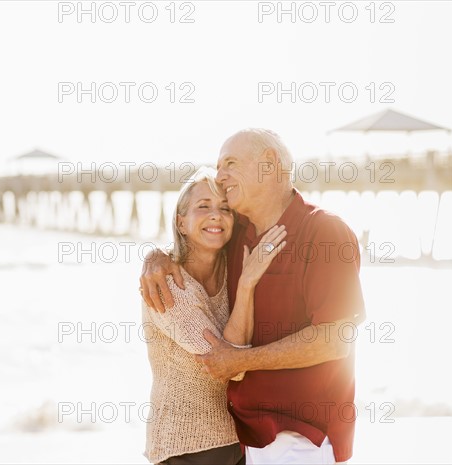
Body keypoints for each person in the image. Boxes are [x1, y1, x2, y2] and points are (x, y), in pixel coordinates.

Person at [140, 129, 366, 464]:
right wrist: (156, 257)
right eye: (218, 167)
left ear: (269, 163)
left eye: (230, 163)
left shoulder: (324, 231)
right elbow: (197, 241)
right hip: (245, 441)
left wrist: (241, 360)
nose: (220, 176)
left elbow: (335, 340)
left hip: (304, 439)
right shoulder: (237, 235)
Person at [141, 167, 287, 465]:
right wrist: (247, 285)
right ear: (181, 223)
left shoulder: (232, 267)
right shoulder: (167, 284)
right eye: (203, 207)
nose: (215, 215)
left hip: (239, 441)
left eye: (224, 208)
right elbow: (227, 364)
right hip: (184, 448)